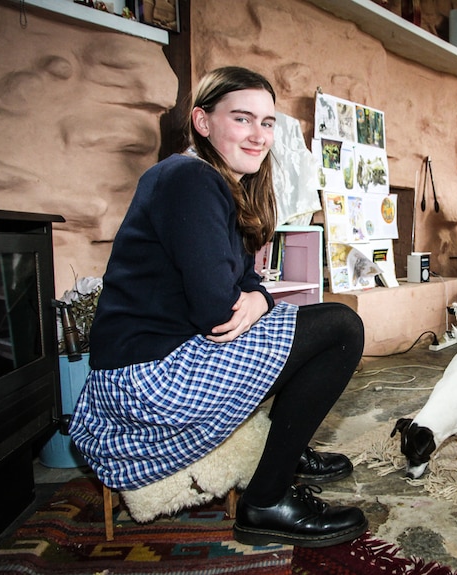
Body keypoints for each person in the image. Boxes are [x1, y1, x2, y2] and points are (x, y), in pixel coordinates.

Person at [69, 66, 368, 548]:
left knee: (304, 324)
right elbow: (216, 309)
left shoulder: (213, 180)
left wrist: (259, 297)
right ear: (203, 122)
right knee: (339, 328)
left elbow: (245, 279)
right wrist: (251, 301)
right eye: (242, 119)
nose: (258, 135)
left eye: (267, 123)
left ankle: (287, 449)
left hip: (155, 359)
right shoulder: (190, 180)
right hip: (149, 379)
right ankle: (266, 501)